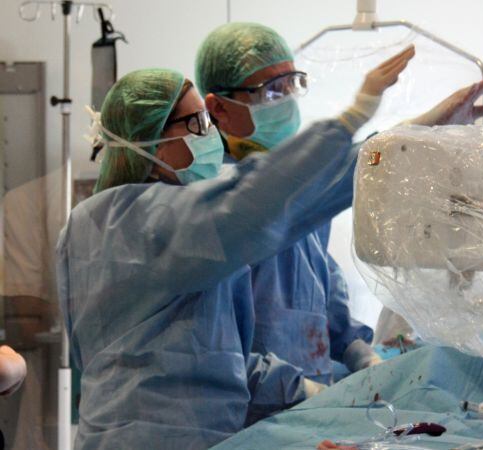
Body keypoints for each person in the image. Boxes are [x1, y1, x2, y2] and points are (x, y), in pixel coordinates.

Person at [57, 47, 411, 449]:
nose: (209, 133)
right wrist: (352, 117)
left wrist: (401, 146)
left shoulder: (152, 223)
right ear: (152, 143)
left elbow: (222, 359)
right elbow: (259, 201)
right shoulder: (139, 224)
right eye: (195, 122)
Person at [194, 23, 483, 417]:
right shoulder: (215, 201)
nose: (288, 100)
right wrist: (302, 390)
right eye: (272, 91)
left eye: (293, 84)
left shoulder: (295, 185)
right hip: (252, 415)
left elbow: (323, 294)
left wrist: (359, 353)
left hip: (308, 409)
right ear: (218, 107)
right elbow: (219, 349)